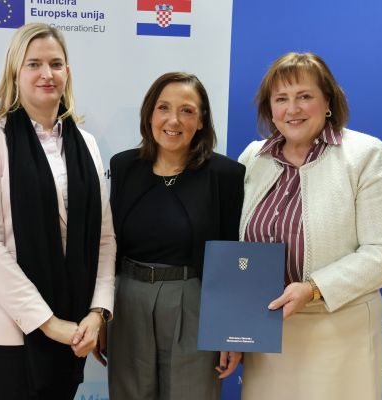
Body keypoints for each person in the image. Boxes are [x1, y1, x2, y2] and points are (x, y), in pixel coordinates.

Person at [238, 52, 382, 400]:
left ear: (328, 101)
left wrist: (313, 288)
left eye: (304, 96)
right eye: (281, 99)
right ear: (270, 108)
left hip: (338, 334)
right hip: (267, 334)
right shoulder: (253, 158)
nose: (292, 109)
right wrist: (232, 327)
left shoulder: (364, 154)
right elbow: (235, 250)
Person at [0, 23, 115, 400]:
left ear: (67, 72)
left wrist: (97, 313)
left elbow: (105, 239)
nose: (47, 74)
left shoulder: (87, 144)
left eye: (56, 64)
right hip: (8, 335)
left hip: (74, 328)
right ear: (15, 71)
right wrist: (49, 323)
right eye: (34, 64)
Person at [104, 72, 244, 399]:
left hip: (194, 304)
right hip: (128, 302)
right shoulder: (123, 167)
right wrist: (101, 313)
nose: (173, 120)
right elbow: (108, 247)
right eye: (163, 108)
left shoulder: (225, 175)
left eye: (187, 111)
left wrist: (231, 332)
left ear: (201, 120)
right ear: (149, 114)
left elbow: (233, 258)